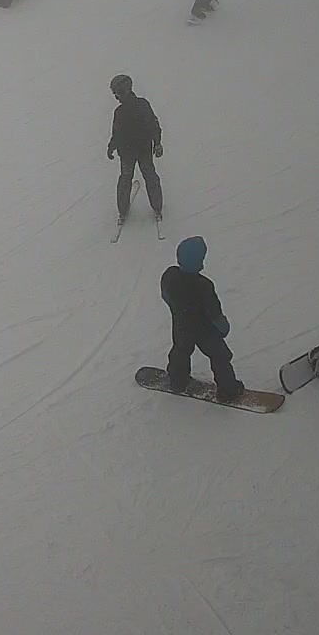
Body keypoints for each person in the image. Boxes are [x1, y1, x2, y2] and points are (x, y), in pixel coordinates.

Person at [161, 237, 244, 400]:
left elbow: (166, 296)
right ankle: (228, 391)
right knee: (220, 356)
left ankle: (177, 381)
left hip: (181, 325)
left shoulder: (170, 275)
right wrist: (223, 327)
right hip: (205, 331)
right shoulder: (204, 286)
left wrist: (178, 310)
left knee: (181, 350)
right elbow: (214, 312)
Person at [106, 74, 164, 225]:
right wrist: (111, 146)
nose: (116, 97)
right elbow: (117, 133)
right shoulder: (125, 110)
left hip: (138, 151)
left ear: (124, 91)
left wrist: (158, 143)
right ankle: (130, 209)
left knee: (138, 178)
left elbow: (153, 125)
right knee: (140, 178)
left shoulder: (139, 106)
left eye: (117, 93)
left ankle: (152, 207)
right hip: (133, 152)